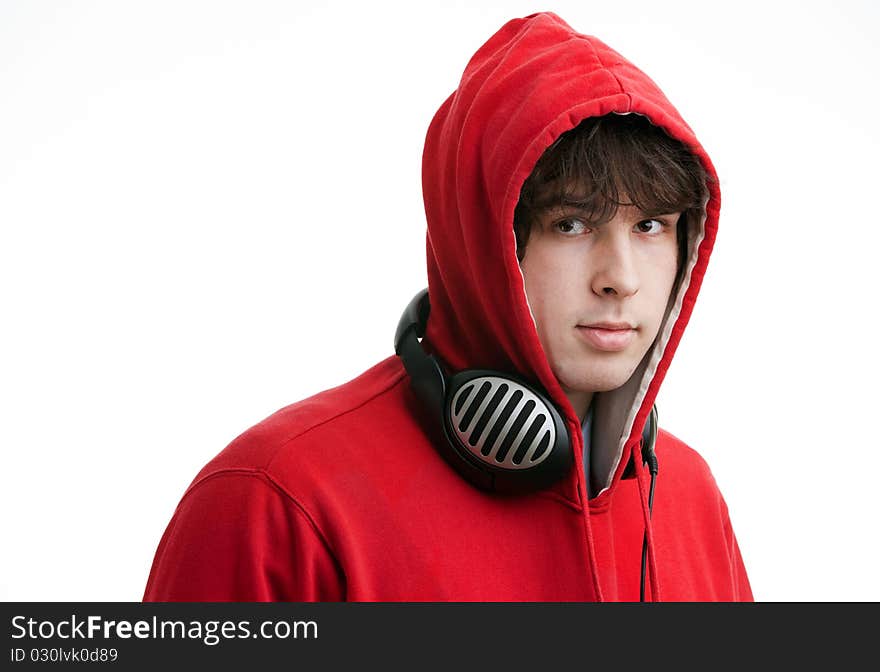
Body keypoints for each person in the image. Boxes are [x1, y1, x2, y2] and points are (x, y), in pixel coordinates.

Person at [143, 11, 752, 602]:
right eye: (570, 224)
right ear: (481, 241)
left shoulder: (690, 497)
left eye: (650, 225)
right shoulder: (279, 501)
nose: (620, 279)